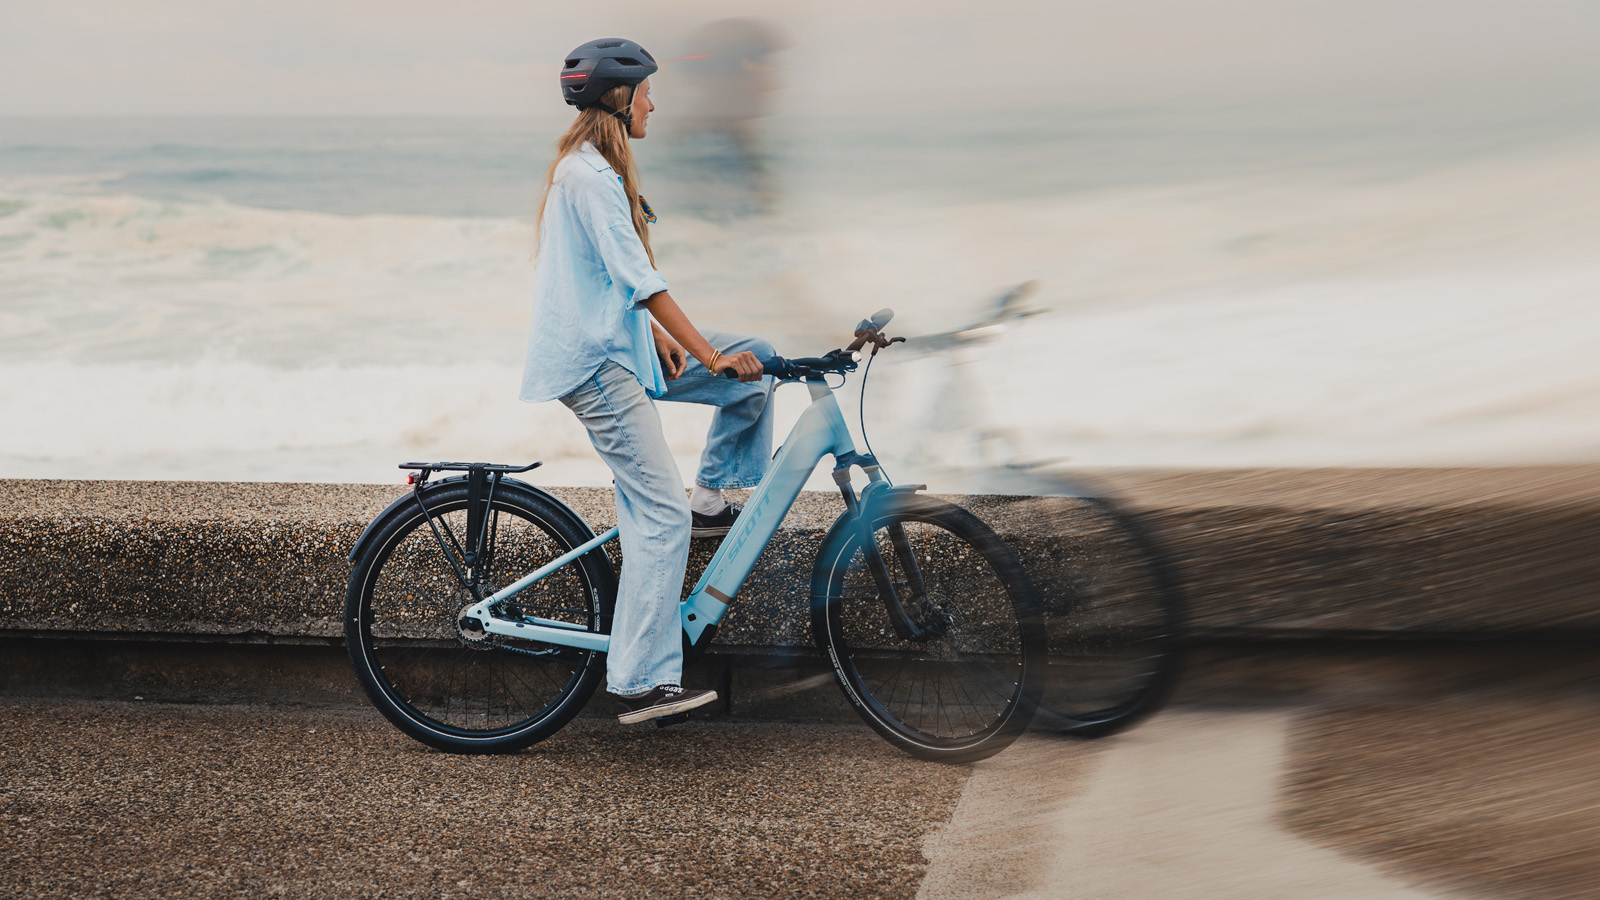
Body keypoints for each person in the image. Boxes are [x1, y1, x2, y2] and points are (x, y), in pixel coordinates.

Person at [519, 38, 777, 725]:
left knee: (758, 360)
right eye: (646, 94)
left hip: (627, 347)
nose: (653, 104)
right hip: (597, 367)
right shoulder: (587, 178)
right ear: (618, 98)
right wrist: (704, 354)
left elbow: (610, 282)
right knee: (656, 512)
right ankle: (637, 679)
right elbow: (641, 281)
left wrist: (674, 343)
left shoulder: (599, 168)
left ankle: (712, 498)